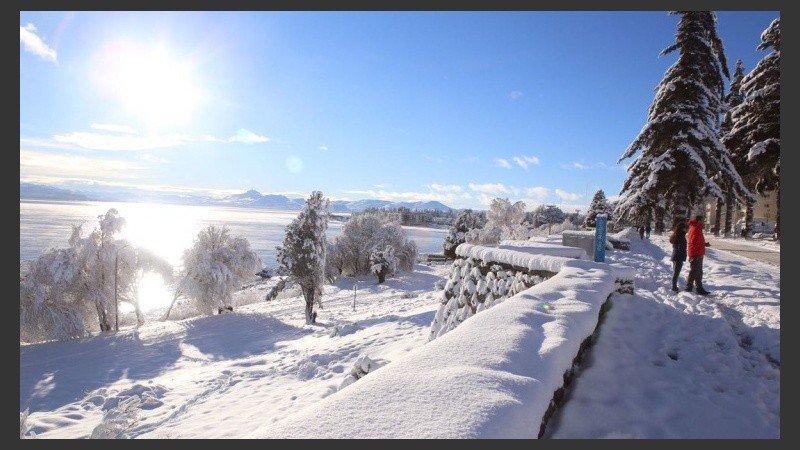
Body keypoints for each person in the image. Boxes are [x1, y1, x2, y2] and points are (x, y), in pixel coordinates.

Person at [685, 215, 710, 295]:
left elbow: (697, 241)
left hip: (698, 253)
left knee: (699, 272)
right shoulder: (695, 229)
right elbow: (693, 242)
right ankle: (689, 287)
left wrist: (704, 244)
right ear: (699, 220)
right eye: (703, 220)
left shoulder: (697, 228)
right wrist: (697, 253)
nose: (704, 221)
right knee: (694, 271)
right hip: (696, 254)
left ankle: (699, 288)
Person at [669, 221, 687, 292]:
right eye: (685, 228)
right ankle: (674, 287)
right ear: (682, 228)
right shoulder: (681, 236)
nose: (686, 229)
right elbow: (681, 247)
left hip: (675, 256)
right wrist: (684, 253)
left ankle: (674, 285)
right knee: (676, 272)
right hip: (679, 257)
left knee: (675, 272)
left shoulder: (676, 235)